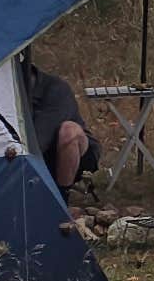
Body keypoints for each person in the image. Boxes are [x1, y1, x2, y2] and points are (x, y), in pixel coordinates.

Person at [21, 60, 97, 200]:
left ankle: (61, 197)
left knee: (69, 131)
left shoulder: (56, 89)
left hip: (68, 154)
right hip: (30, 152)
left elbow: (39, 140)